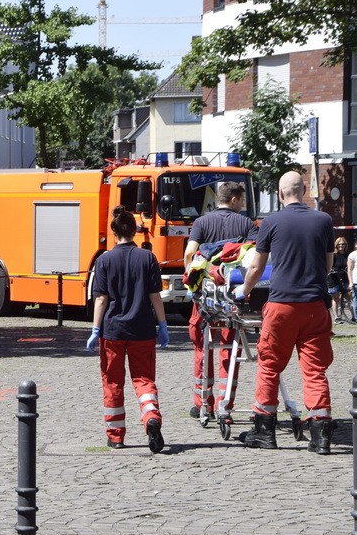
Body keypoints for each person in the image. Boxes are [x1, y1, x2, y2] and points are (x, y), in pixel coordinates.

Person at [234, 171, 335, 454]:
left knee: (269, 365)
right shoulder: (324, 220)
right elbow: (327, 266)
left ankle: (264, 430)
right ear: (303, 191)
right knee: (315, 370)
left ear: (280, 194)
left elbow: (255, 267)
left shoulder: (272, 222)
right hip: (315, 306)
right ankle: (321, 433)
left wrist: (243, 291)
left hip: (281, 306)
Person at [86, 206, 168, 453]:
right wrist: (162, 324)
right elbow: (155, 296)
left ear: (114, 232)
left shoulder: (104, 260)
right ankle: (151, 416)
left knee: (113, 382)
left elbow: (101, 299)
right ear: (135, 231)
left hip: (113, 331)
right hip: (143, 329)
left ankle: (116, 436)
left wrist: (95, 329)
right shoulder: (148, 258)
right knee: (144, 379)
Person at [182, 181, 258, 420]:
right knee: (229, 348)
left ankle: (202, 402)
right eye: (242, 200)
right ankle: (226, 404)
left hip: (205, 295)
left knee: (202, 347)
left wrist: (192, 281)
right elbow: (255, 259)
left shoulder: (202, 223)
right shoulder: (246, 224)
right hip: (233, 297)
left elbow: (189, 253)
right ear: (234, 199)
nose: (243, 205)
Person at [328, 238, 352, 323]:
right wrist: (331, 270)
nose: (341, 246)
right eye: (339, 244)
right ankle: (336, 317)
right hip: (334, 279)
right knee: (336, 299)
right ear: (336, 245)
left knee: (349, 297)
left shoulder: (348, 255)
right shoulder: (333, 255)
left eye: (342, 244)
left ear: (346, 245)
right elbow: (328, 265)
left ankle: (354, 316)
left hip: (345, 278)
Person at [347, 238, 357, 325]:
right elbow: (349, 269)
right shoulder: (352, 255)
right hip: (356, 279)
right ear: (355, 245)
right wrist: (351, 282)